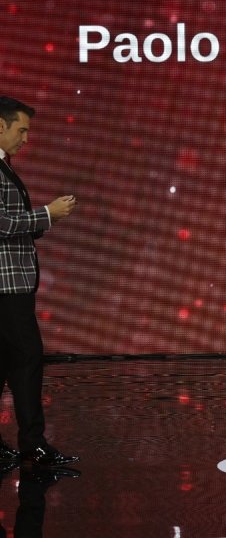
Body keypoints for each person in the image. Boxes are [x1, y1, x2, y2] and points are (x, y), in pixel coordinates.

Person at [0, 97, 78, 467]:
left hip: (11, 283)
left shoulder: (4, 166)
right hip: (6, 287)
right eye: (22, 129)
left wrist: (43, 221)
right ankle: (34, 443)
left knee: (5, 361)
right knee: (28, 357)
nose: (26, 138)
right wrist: (48, 214)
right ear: (0, 126)